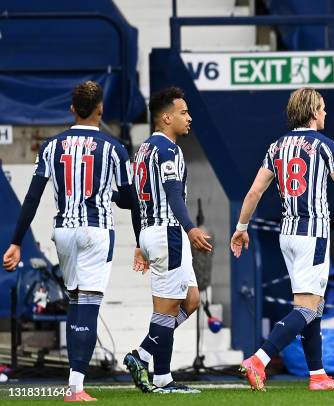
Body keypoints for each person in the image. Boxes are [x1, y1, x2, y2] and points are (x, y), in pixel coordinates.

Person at [230, 87, 334, 391]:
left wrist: (241, 226)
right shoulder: (326, 145)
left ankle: (318, 375)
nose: (325, 113)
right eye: (321, 108)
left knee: (312, 307)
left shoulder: (276, 146)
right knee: (307, 308)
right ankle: (258, 359)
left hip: (288, 234)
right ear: (311, 112)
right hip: (313, 234)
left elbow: (255, 191)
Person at [2, 81, 141, 402]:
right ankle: (76, 387)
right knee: (88, 305)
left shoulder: (51, 146)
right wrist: (138, 241)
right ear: (101, 109)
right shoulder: (114, 148)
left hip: (63, 232)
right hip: (95, 231)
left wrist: (16, 241)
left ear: (71, 109)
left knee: (76, 300)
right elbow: (129, 199)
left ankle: (75, 383)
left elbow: (32, 197)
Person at [121, 87, 212, 394]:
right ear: (166, 117)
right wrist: (190, 228)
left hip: (152, 232)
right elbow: (173, 194)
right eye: (183, 112)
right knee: (167, 310)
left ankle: (151, 363)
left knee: (191, 300)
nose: (189, 118)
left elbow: (132, 200)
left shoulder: (143, 150)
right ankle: (151, 367)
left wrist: (138, 242)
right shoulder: (168, 150)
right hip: (168, 233)